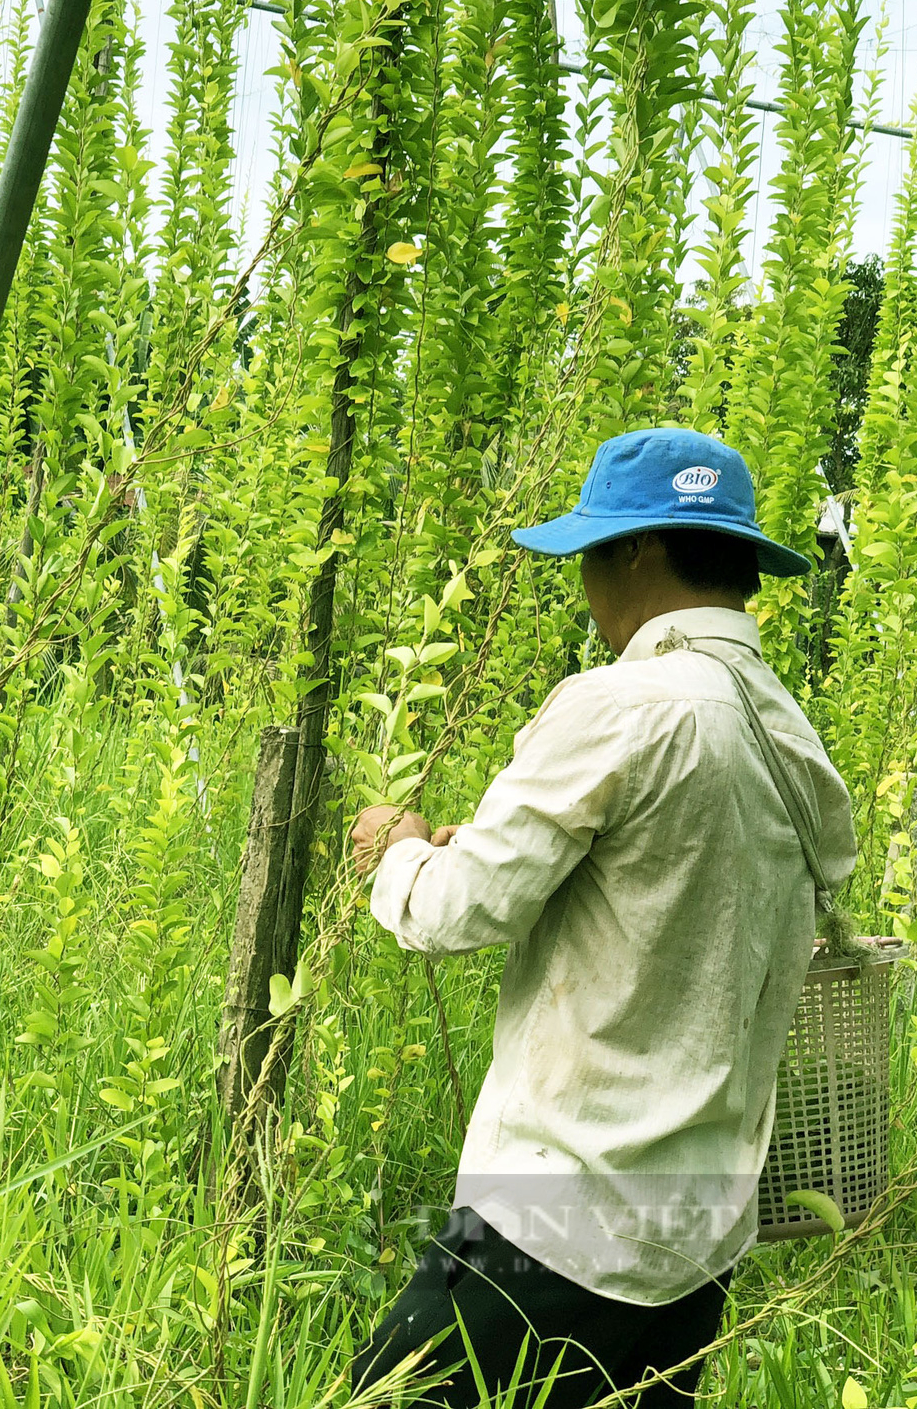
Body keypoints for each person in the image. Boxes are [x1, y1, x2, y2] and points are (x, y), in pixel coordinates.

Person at [346, 428, 856, 1406]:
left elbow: (452, 910)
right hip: (697, 1234)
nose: (584, 583)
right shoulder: (791, 739)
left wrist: (399, 846)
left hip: (559, 1210)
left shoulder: (620, 706)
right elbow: (674, 895)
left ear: (636, 550)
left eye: (590, 551)